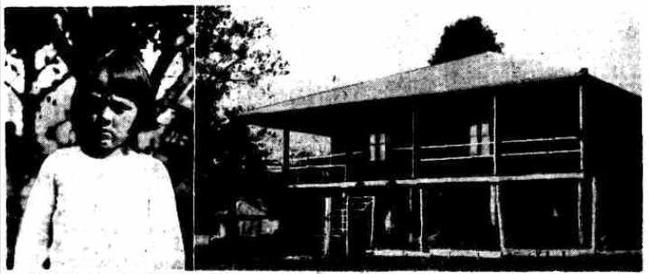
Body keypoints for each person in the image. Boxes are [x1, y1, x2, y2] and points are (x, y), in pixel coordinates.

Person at [13, 50, 185, 271]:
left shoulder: (151, 172)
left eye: (120, 108)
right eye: (96, 104)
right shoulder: (59, 166)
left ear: (140, 114)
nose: (105, 116)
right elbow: (29, 247)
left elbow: (169, 256)